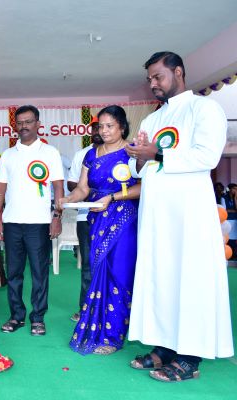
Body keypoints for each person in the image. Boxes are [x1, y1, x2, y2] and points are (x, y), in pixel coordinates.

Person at [126, 51, 233, 382]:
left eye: (158, 77)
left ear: (179, 73)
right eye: (150, 79)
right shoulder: (151, 120)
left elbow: (207, 156)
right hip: (157, 217)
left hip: (190, 217)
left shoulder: (204, 109)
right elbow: (138, 169)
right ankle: (165, 347)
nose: (153, 84)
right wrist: (138, 157)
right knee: (161, 279)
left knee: (191, 281)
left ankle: (190, 357)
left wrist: (156, 152)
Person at [58, 106, 140, 355]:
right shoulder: (91, 154)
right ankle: (99, 329)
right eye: (100, 126)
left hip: (125, 219)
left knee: (119, 275)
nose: (104, 131)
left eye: (109, 126)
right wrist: (68, 199)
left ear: (122, 127)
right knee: (98, 272)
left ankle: (113, 337)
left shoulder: (133, 152)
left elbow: (143, 186)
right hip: (97, 220)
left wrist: (113, 197)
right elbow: (83, 188)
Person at [0, 105, 64, 337]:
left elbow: (58, 187)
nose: (23, 126)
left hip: (39, 223)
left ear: (38, 124)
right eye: (20, 122)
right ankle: (16, 316)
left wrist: (57, 216)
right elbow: (0, 189)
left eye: (28, 121)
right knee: (13, 273)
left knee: (39, 273)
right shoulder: (8, 155)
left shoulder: (50, 152)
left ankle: (38, 318)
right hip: (12, 222)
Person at [67, 120, 102, 322]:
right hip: (85, 215)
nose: (99, 131)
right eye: (96, 127)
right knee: (88, 264)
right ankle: (85, 309)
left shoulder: (123, 152)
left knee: (113, 264)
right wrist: (88, 190)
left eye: (104, 127)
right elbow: (72, 183)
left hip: (114, 214)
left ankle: (113, 311)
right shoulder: (83, 154)